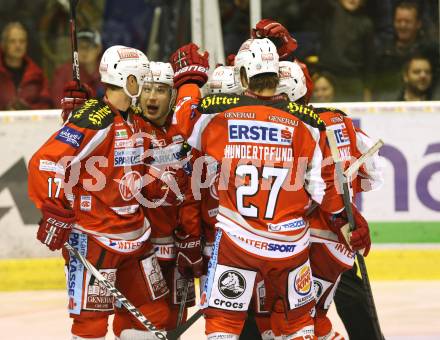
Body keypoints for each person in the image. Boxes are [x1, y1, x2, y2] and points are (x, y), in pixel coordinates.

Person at [169, 37, 367, 339]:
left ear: (244, 76)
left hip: (237, 242)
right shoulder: (308, 122)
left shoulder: (218, 113)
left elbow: (183, 122)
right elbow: (326, 186)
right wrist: (346, 220)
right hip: (290, 247)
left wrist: (189, 80)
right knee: (297, 323)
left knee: (223, 323)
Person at [28, 45, 171, 340]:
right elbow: (45, 162)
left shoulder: (135, 120)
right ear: (128, 80)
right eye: (141, 80)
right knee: (90, 325)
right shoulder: (95, 118)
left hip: (136, 237)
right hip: (94, 239)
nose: (145, 88)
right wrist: (53, 208)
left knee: (154, 314)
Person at [137, 61, 203, 330]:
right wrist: (72, 115)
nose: (152, 96)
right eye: (147, 89)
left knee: (176, 320)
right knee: (142, 320)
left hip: (177, 248)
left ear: (173, 96)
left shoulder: (183, 134)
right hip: (141, 248)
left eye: (160, 90)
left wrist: (191, 237)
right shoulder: (129, 127)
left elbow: (191, 190)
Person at [373, 1, 438, 100]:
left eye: (407, 22)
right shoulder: (384, 52)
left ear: (418, 24)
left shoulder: (430, 52)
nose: (402, 25)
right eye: (399, 21)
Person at [317, 0, 375, 101]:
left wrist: (367, 88)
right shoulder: (330, 12)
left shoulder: (366, 23)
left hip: (353, 78)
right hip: (328, 75)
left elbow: (369, 59)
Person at [0, 21, 51, 110]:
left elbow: (46, 104)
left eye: (22, 41)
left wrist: (28, 110)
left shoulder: (37, 74)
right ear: (3, 44)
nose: (18, 45)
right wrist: (4, 110)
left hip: (31, 123)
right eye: (12, 41)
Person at [51, 28, 104, 108]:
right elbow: (59, 103)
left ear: (98, 48)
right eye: (79, 46)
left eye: (89, 46)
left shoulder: (107, 70)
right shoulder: (64, 72)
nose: (84, 51)